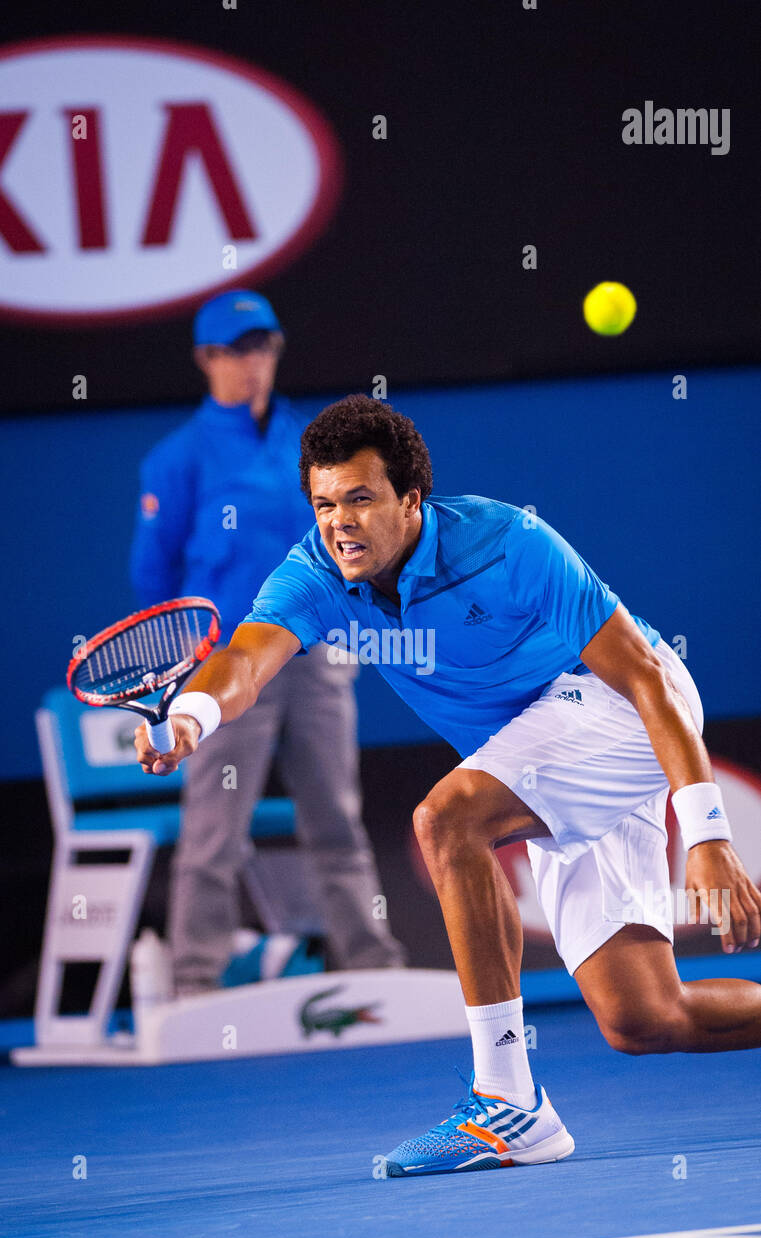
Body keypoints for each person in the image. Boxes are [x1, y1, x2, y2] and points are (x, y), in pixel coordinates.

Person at [134, 394, 761, 1175]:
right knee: (644, 1018)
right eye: (325, 504)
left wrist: (704, 834)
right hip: (539, 753)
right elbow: (246, 658)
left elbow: (642, 678)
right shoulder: (316, 575)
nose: (340, 522)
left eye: (360, 499)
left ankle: (506, 1100)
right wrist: (192, 716)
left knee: (448, 820)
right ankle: (521, 1102)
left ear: (410, 500)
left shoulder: (507, 542)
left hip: (618, 707)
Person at [130, 300, 405, 994]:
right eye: (234, 349)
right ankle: (195, 985)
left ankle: (375, 974)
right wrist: (186, 657)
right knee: (214, 833)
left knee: (337, 819)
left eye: (261, 346)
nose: (250, 363)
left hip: (316, 660)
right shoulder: (177, 459)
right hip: (225, 667)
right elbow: (153, 575)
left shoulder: (311, 446)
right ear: (206, 360)